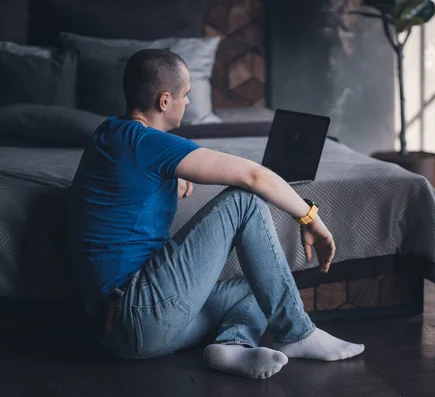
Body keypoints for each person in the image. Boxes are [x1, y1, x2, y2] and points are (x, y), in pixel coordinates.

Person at [68, 49, 365, 380]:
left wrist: (169, 175)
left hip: (116, 331)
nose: (188, 103)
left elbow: (128, 184)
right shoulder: (148, 145)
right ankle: (297, 333)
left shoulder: (108, 134)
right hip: (137, 313)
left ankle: (233, 346)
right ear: (164, 101)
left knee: (261, 284)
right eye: (186, 96)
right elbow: (254, 176)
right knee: (244, 201)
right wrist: (311, 218)